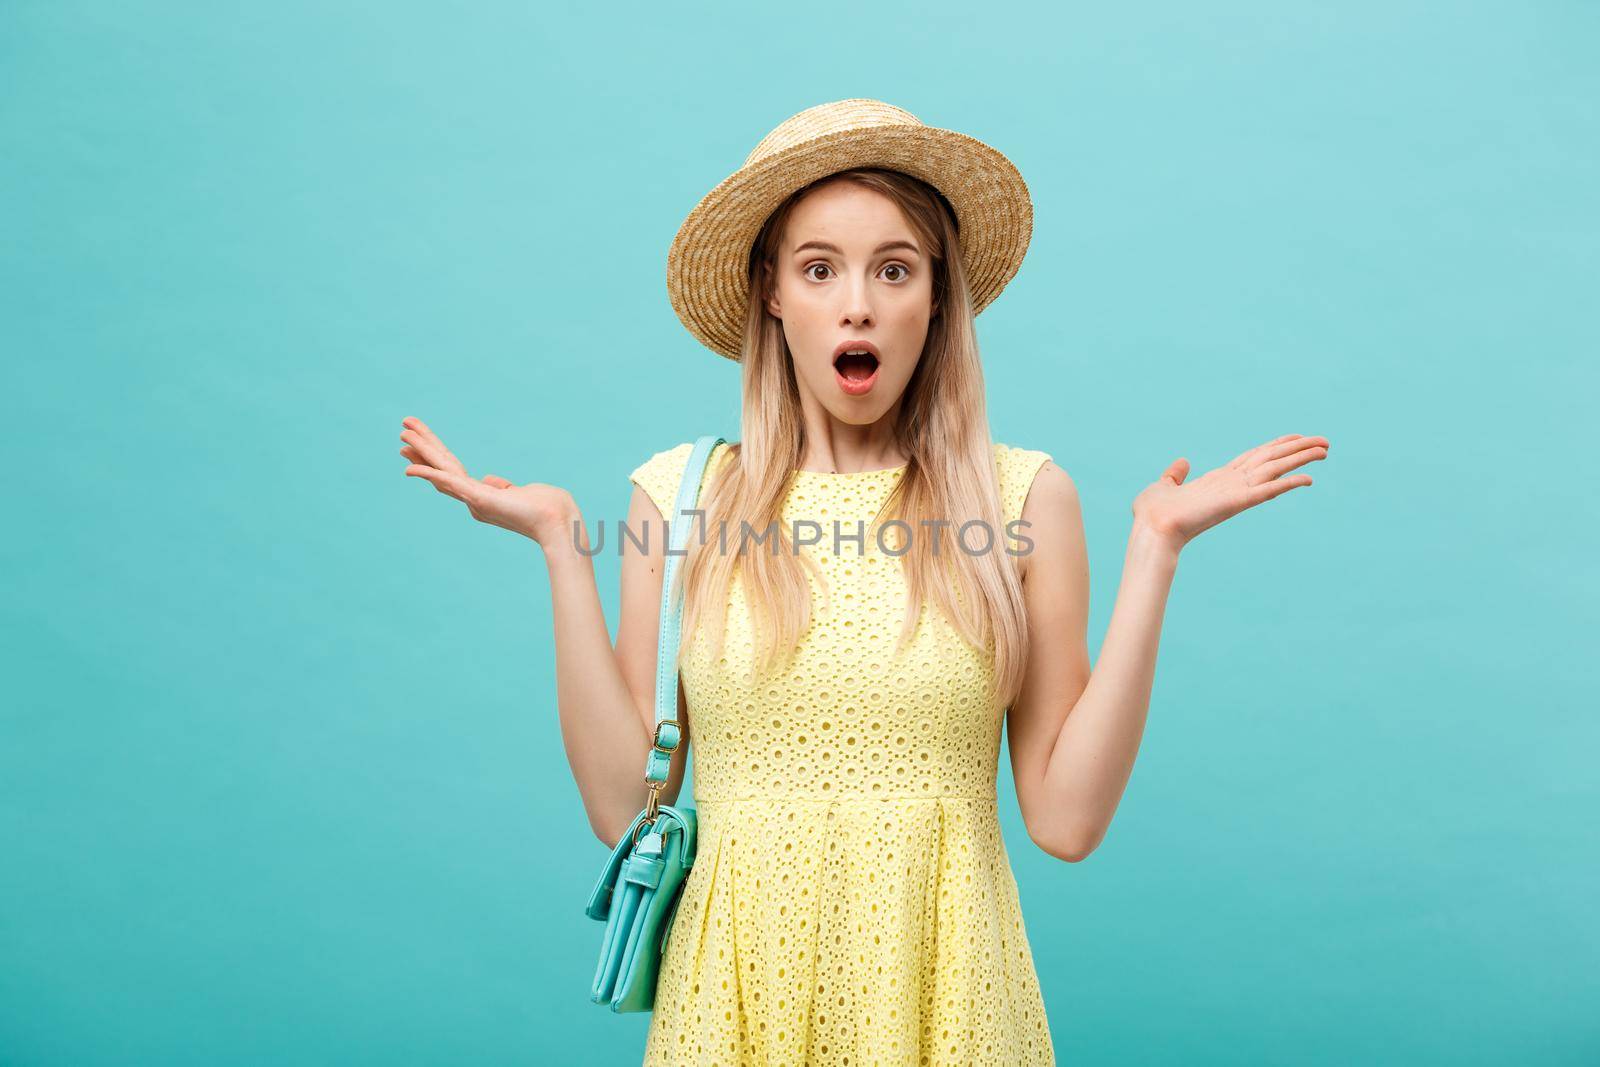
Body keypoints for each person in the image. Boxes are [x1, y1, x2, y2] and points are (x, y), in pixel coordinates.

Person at [398, 98, 1329, 1065]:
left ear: (936, 297)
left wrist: (1154, 552)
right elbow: (623, 809)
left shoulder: (1024, 499)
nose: (858, 304)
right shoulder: (678, 500)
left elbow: (1067, 819)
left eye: (894, 269)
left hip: (950, 999)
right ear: (771, 292)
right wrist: (557, 543)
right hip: (735, 1001)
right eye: (819, 268)